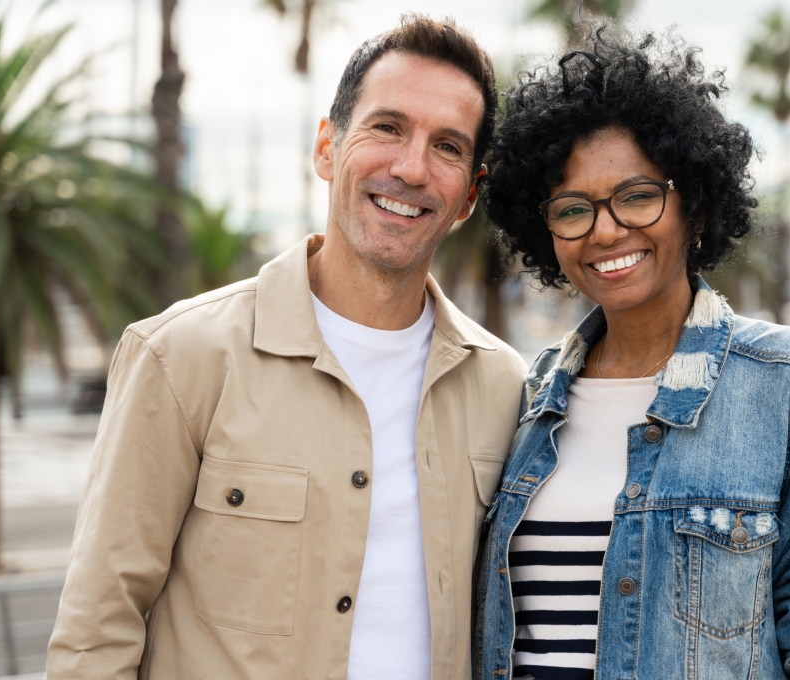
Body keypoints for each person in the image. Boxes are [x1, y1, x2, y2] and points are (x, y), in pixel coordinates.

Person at [47, 16, 526, 680]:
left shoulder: (506, 388)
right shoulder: (181, 357)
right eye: (387, 127)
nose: (412, 167)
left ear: (469, 195)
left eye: (447, 146)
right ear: (327, 147)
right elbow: (96, 633)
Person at [474, 27, 790, 680]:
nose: (605, 229)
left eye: (637, 196)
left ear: (696, 206)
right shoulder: (520, 399)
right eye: (573, 209)